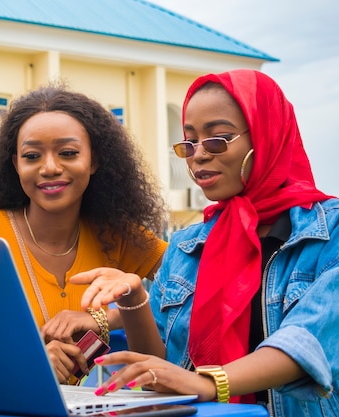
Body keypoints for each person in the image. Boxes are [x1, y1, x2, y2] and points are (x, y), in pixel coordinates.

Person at [71, 69, 339, 416]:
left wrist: (212, 383)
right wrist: (135, 298)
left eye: (217, 139)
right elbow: (162, 371)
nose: (198, 155)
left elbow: (308, 341)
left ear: (266, 134)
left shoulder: (329, 229)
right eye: (189, 142)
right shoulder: (186, 246)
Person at [0, 82, 168, 384]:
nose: (49, 168)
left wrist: (101, 319)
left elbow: (197, 291)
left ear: (95, 160)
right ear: (16, 164)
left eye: (68, 153)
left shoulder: (119, 237)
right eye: (32, 156)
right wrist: (26, 361)